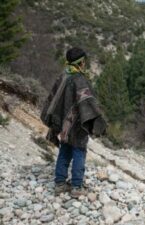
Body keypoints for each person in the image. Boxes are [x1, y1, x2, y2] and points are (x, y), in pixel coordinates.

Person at [41, 47, 106, 198]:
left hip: (63, 124)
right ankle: (77, 186)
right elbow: (88, 104)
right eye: (85, 61)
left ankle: (60, 184)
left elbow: (53, 100)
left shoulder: (63, 76)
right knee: (79, 152)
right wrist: (98, 122)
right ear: (81, 62)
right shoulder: (80, 79)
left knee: (64, 151)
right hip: (77, 125)